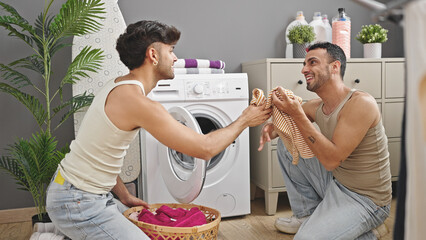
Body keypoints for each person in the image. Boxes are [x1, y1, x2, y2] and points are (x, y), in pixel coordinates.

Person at [46, 20, 271, 240]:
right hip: (77, 201)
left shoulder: (118, 85)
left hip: (76, 191)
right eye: (171, 50)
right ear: (153, 55)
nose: (175, 58)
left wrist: (124, 195)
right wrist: (244, 119)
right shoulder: (137, 102)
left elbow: (99, 152)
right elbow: (205, 148)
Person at [258, 42, 391, 239]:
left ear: (335, 67)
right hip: (337, 182)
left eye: (312, 62)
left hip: (367, 200)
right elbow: (283, 127)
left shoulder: (361, 104)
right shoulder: (316, 106)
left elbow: (331, 160)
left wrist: (298, 116)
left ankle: (370, 232)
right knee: (288, 144)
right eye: (304, 64)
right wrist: (272, 126)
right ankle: (307, 215)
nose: (304, 69)